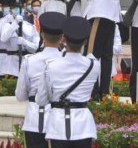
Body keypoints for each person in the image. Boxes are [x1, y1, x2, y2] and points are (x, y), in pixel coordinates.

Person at [36, 16, 100, 148]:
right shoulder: (94, 65)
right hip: (83, 126)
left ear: (63, 39)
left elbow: (41, 100)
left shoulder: (51, 65)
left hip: (58, 125)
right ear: (85, 41)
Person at [16, 12, 67, 148]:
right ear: (62, 37)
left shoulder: (30, 60)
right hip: (60, 120)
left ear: (42, 34)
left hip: (34, 119)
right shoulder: (66, 61)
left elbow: (20, 96)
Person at [0, 0, 39, 79]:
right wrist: (15, 24)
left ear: (24, 8)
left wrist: (25, 43)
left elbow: (35, 47)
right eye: (14, 8)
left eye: (20, 7)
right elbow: (3, 38)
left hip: (25, 64)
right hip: (10, 66)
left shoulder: (30, 26)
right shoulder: (6, 25)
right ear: (10, 10)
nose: (17, 10)